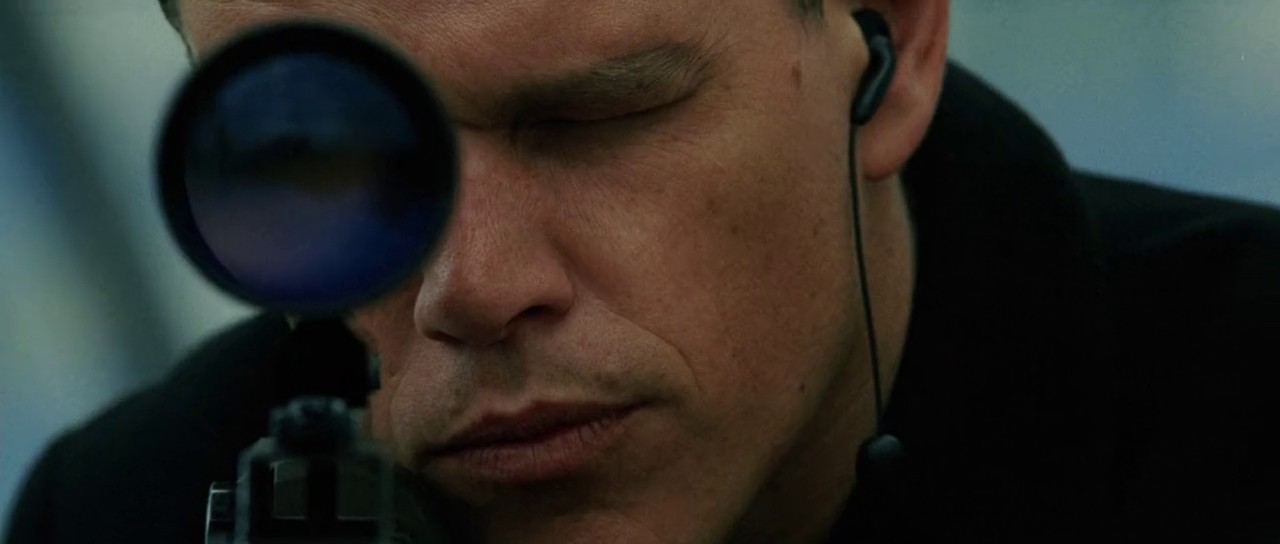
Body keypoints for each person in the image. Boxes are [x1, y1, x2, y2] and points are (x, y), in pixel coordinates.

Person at [6, 0, 1280, 542]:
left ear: (889, 47)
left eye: (591, 121)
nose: (469, 285)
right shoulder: (127, 513)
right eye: (323, 161)